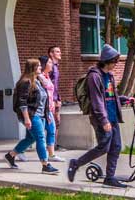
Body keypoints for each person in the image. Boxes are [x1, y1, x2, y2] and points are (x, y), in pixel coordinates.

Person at [67, 44, 129, 188]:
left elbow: (111, 96)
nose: (116, 64)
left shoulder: (110, 76)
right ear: (107, 60)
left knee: (116, 147)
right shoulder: (94, 76)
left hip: (112, 117)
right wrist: (103, 120)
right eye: (114, 61)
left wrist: (124, 99)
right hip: (102, 118)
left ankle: (110, 177)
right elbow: (97, 100)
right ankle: (75, 164)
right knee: (104, 147)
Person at [3, 58, 59, 174]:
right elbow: (22, 101)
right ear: (33, 68)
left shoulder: (37, 80)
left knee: (31, 138)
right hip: (32, 115)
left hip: (41, 115)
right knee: (40, 138)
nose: (40, 67)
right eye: (38, 66)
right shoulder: (25, 82)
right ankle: (45, 165)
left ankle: (11, 155)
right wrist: (27, 118)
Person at [38, 54, 63, 162]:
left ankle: (51, 155)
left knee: (51, 130)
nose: (51, 64)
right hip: (41, 110)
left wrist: (56, 100)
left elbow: (53, 90)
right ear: (43, 64)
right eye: (49, 62)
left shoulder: (47, 76)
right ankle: (17, 152)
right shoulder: (40, 77)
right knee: (33, 137)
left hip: (49, 109)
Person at [48, 45, 64, 149]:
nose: (60, 53)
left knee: (57, 122)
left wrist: (58, 98)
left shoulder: (56, 66)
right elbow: (48, 84)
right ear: (51, 54)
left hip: (55, 99)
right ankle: (51, 145)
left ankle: (54, 144)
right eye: (57, 52)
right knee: (52, 123)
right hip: (50, 100)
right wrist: (52, 100)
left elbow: (55, 85)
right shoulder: (50, 67)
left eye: (59, 51)